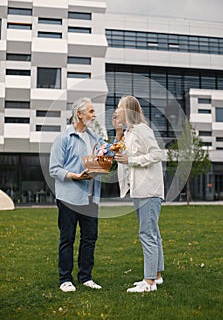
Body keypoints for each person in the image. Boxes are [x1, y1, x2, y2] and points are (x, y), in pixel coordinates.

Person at [49, 98, 104, 292]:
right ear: (79, 114)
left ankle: (85, 277)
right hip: (69, 197)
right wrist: (75, 176)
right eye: (90, 111)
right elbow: (54, 169)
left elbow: (109, 153)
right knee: (67, 238)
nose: (94, 115)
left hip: (91, 197)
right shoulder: (64, 138)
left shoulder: (95, 138)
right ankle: (65, 279)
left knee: (90, 238)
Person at [113, 95, 165, 293]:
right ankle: (157, 276)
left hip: (148, 191)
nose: (117, 111)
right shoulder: (130, 132)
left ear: (129, 111)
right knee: (154, 233)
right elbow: (119, 151)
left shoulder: (143, 130)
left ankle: (149, 282)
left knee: (147, 234)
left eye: (120, 107)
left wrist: (132, 160)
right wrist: (118, 131)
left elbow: (156, 154)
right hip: (139, 189)